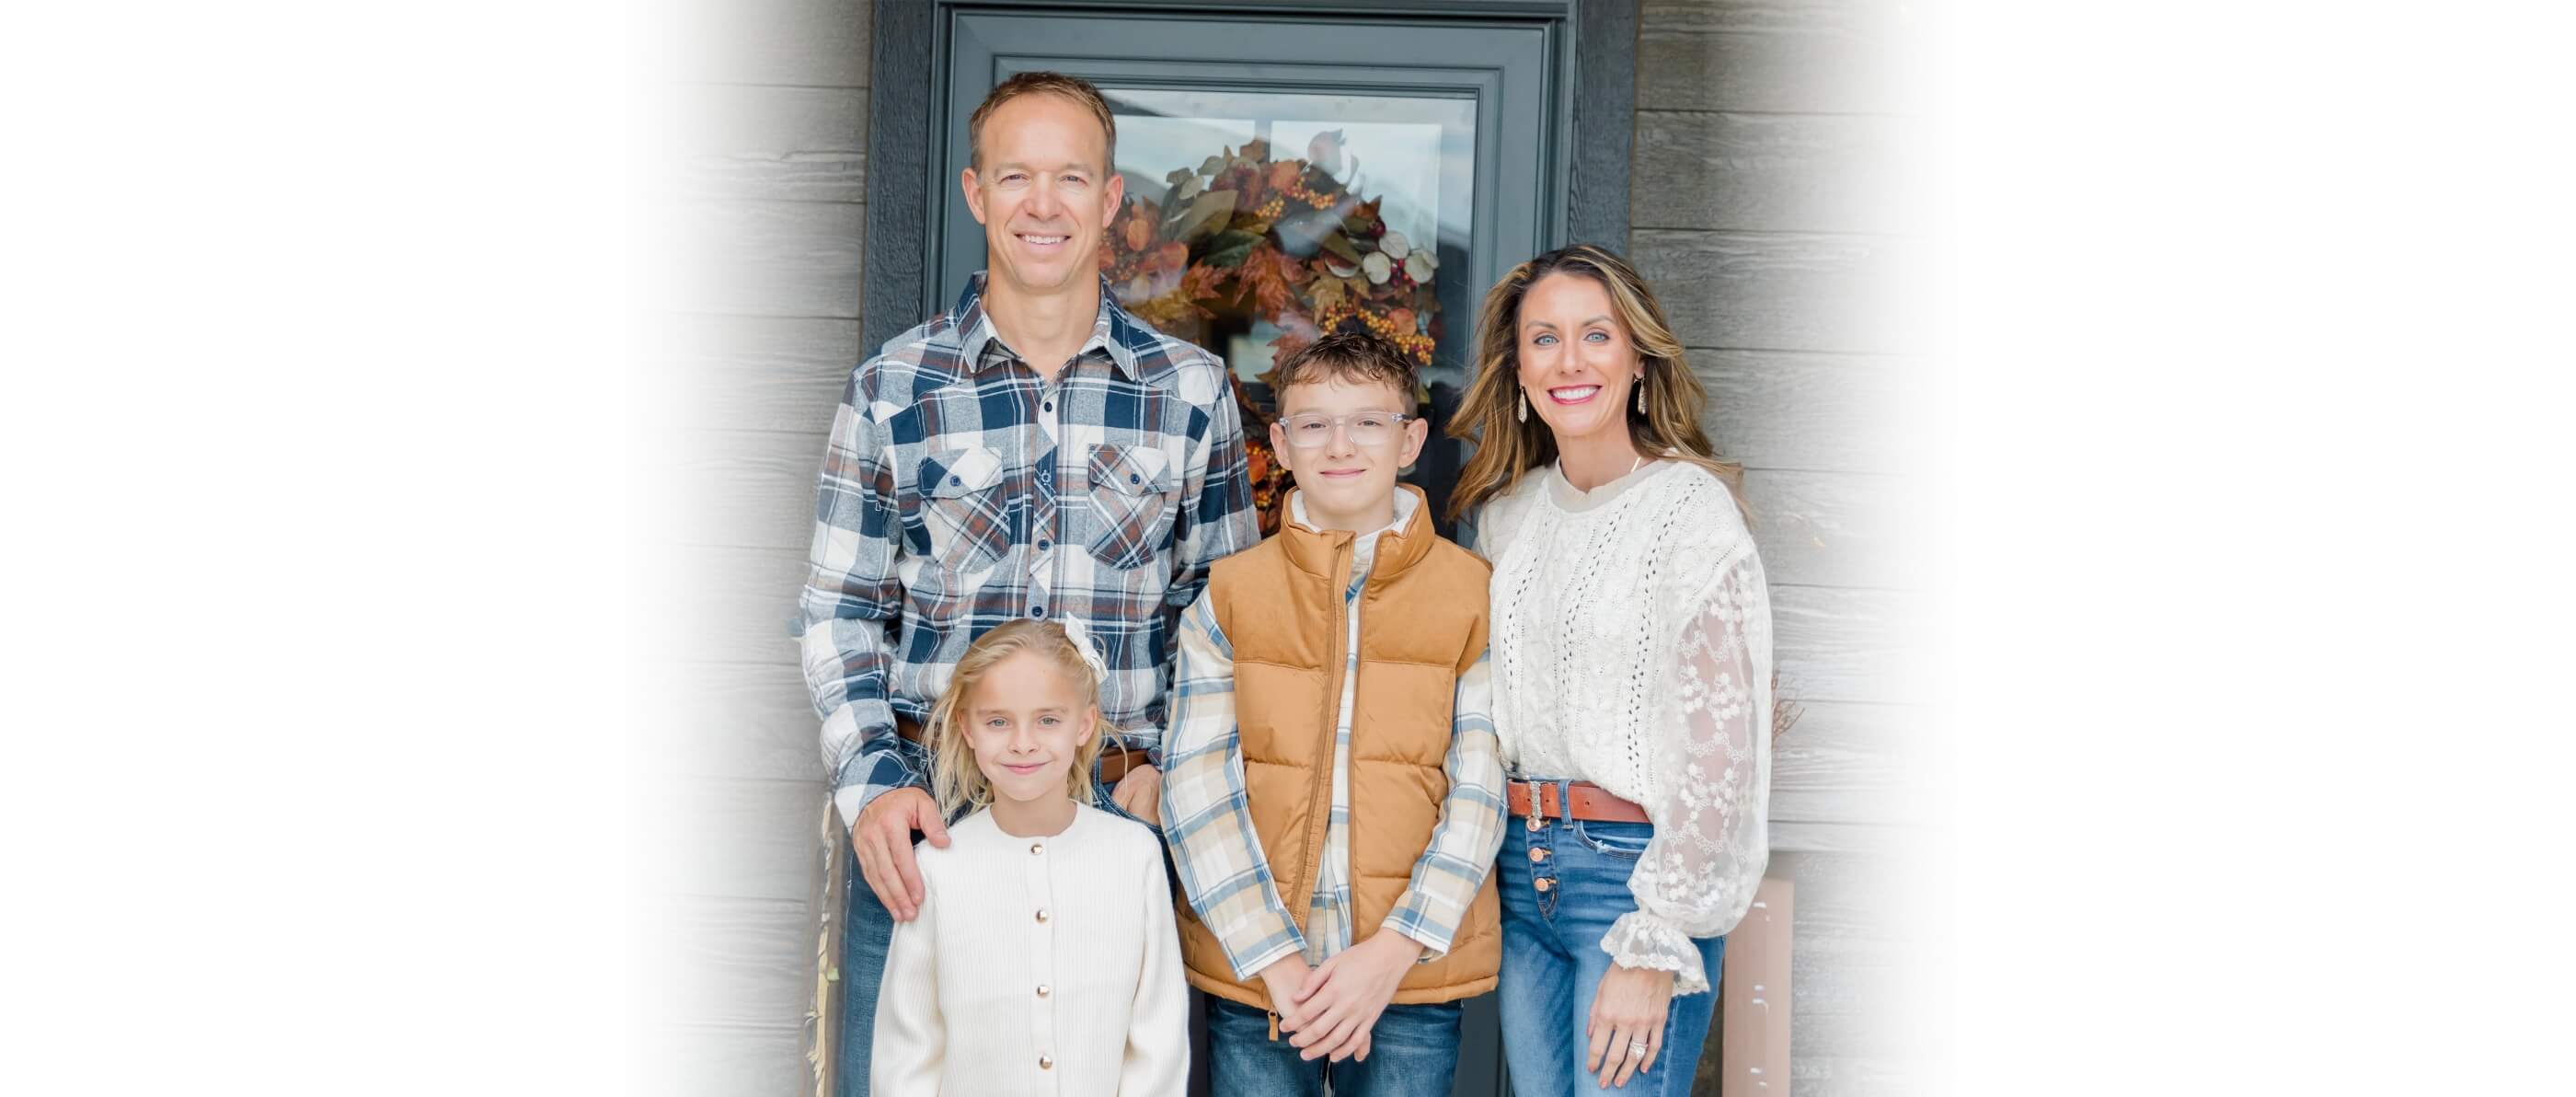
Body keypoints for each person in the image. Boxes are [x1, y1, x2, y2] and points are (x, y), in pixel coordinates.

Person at [793, 70, 1259, 1093]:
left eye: (1068, 178)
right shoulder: (892, 388)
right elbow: (840, 610)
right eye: (1015, 176)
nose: (1040, 205)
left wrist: (1168, 773)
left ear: (1109, 200)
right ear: (975, 193)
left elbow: (1221, 616)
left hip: (1120, 813)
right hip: (929, 815)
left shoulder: (1190, 393)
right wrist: (875, 784)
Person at [1446, 244, 1775, 1095]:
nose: (1571, 360)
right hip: (1524, 875)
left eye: (1597, 335)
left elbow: (1722, 754)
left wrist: (1657, 933)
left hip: (1631, 880)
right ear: (1518, 372)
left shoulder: (1690, 512)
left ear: (1636, 361)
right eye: (1544, 339)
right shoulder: (1507, 522)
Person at [1159, 329, 1507, 1095]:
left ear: (1411, 439)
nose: (1340, 444)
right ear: (1280, 443)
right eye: (1314, 424)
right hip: (1259, 980)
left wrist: (1395, 950)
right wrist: (1274, 961)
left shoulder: (1471, 592)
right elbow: (1195, 786)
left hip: (1408, 976)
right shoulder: (1231, 593)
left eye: (1368, 422)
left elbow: (1481, 788)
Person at [870, 619, 1190, 1095]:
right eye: (998, 721)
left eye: (1048, 720)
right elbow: (908, 1047)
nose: (1023, 742)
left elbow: (1157, 1036)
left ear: (1084, 725)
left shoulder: (1134, 855)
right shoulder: (938, 867)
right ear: (967, 727)